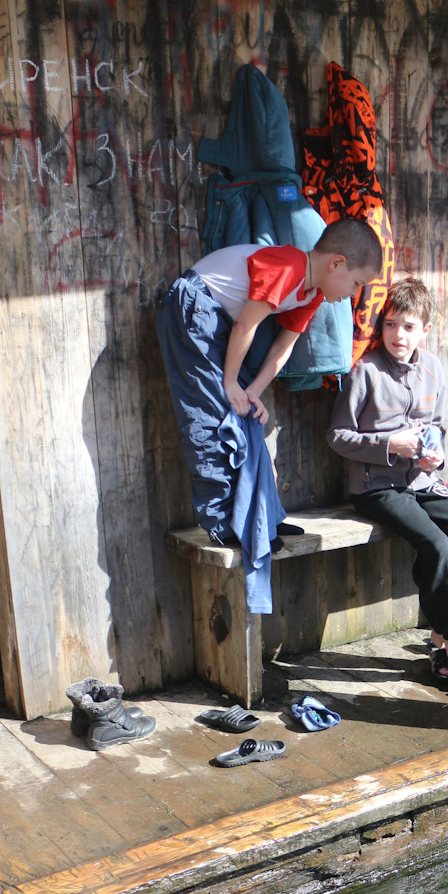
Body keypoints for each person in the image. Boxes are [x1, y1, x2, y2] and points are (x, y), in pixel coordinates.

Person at [157, 219, 383, 612]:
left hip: (220, 324)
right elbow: (247, 323)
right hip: (192, 308)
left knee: (248, 420)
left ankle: (262, 518)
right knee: (210, 419)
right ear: (336, 264)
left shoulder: (310, 293)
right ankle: (223, 524)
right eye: (357, 284)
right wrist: (231, 384)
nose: (353, 294)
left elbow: (282, 348)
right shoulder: (289, 268)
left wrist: (253, 392)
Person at [324, 277, 448, 706]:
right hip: (377, 487)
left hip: (425, 482)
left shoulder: (434, 368)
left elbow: (437, 429)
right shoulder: (365, 371)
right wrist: (389, 444)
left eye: (408, 327)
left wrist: (434, 458)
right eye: (390, 325)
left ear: (426, 328)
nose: (398, 336)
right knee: (438, 546)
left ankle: (441, 636)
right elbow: (336, 436)